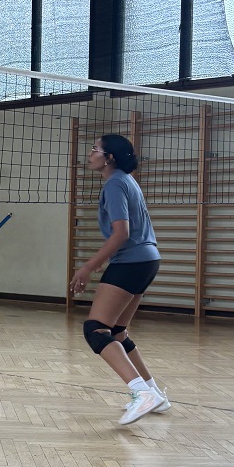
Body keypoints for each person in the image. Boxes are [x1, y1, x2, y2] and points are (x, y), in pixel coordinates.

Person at [69, 134, 170, 426]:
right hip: (148, 259)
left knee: (95, 329)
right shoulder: (126, 180)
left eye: (95, 149)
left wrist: (88, 267)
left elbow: (121, 233)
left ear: (109, 157)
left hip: (131, 261)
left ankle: (141, 393)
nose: (90, 154)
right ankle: (153, 392)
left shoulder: (114, 183)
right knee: (117, 331)